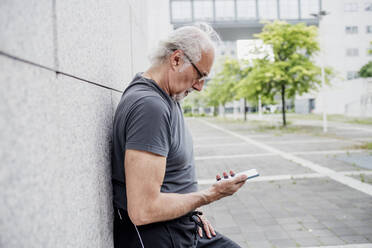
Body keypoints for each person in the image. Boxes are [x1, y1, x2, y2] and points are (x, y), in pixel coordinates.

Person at [111, 23, 248, 248]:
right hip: (161, 235)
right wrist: (210, 194)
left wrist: (194, 208)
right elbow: (143, 209)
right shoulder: (150, 107)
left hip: (184, 225)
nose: (200, 87)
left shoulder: (167, 96)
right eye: (199, 75)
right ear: (176, 60)